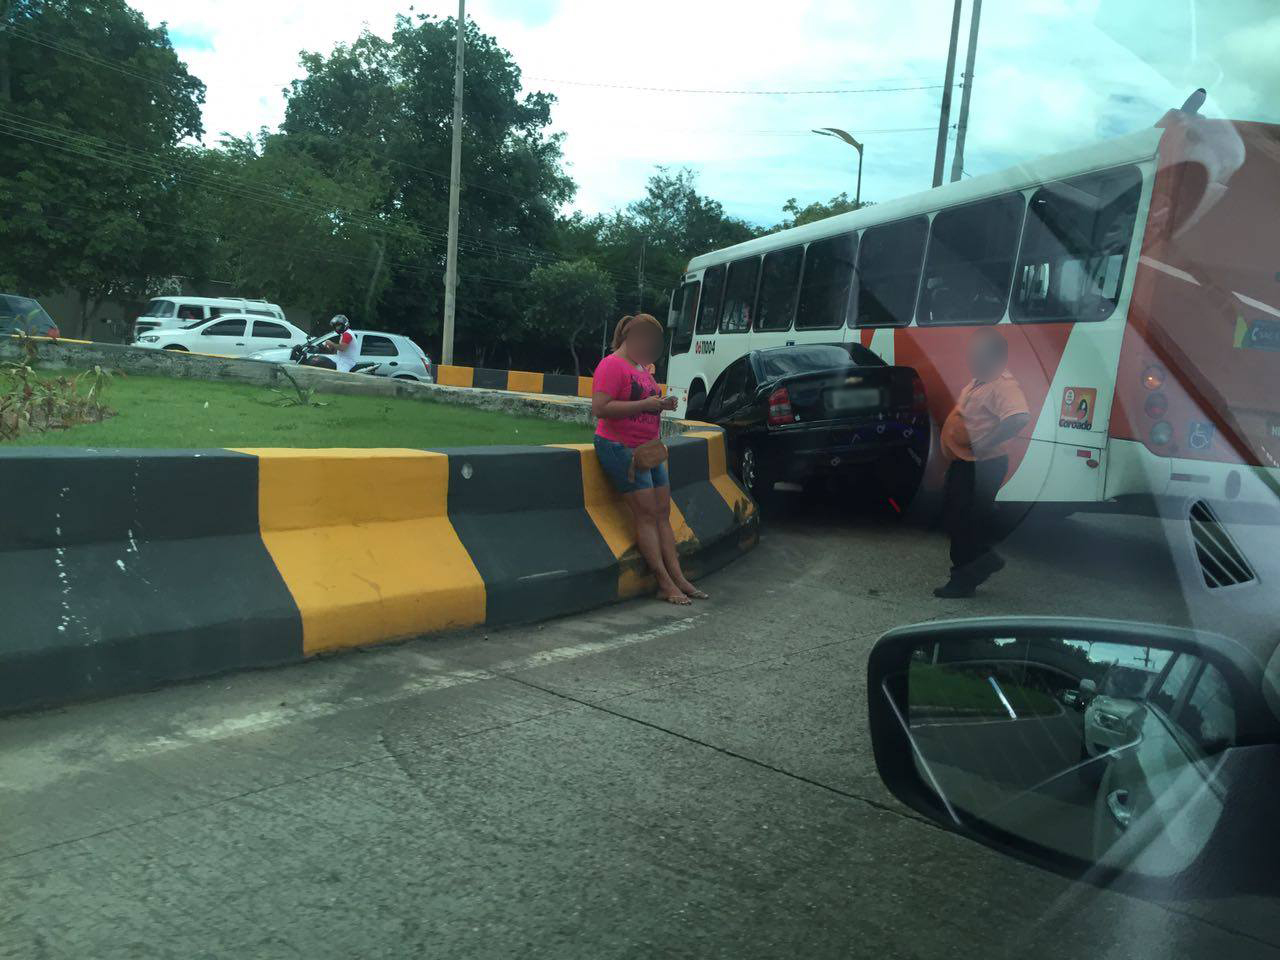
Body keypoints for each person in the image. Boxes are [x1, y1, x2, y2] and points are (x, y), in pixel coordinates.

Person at [592, 313, 707, 606]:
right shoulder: (611, 365)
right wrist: (647, 403)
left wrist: (661, 404)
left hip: (649, 448)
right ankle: (664, 581)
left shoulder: (641, 367)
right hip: (621, 448)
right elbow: (601, 408)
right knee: (645, 515)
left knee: (661, 514)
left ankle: (678, 577)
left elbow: (644, 404)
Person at [934, 328, 1030, 599]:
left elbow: (1018, 418)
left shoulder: (1002, 385)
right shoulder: (980, 381)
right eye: (970, 354)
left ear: (995, 357)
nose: (970, 359)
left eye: (976, 355)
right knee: (958, 518)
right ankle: (982, 562)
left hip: (982, 465)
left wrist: (985, 443)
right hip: (967, 463)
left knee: (964, 521)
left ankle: (964, 578)